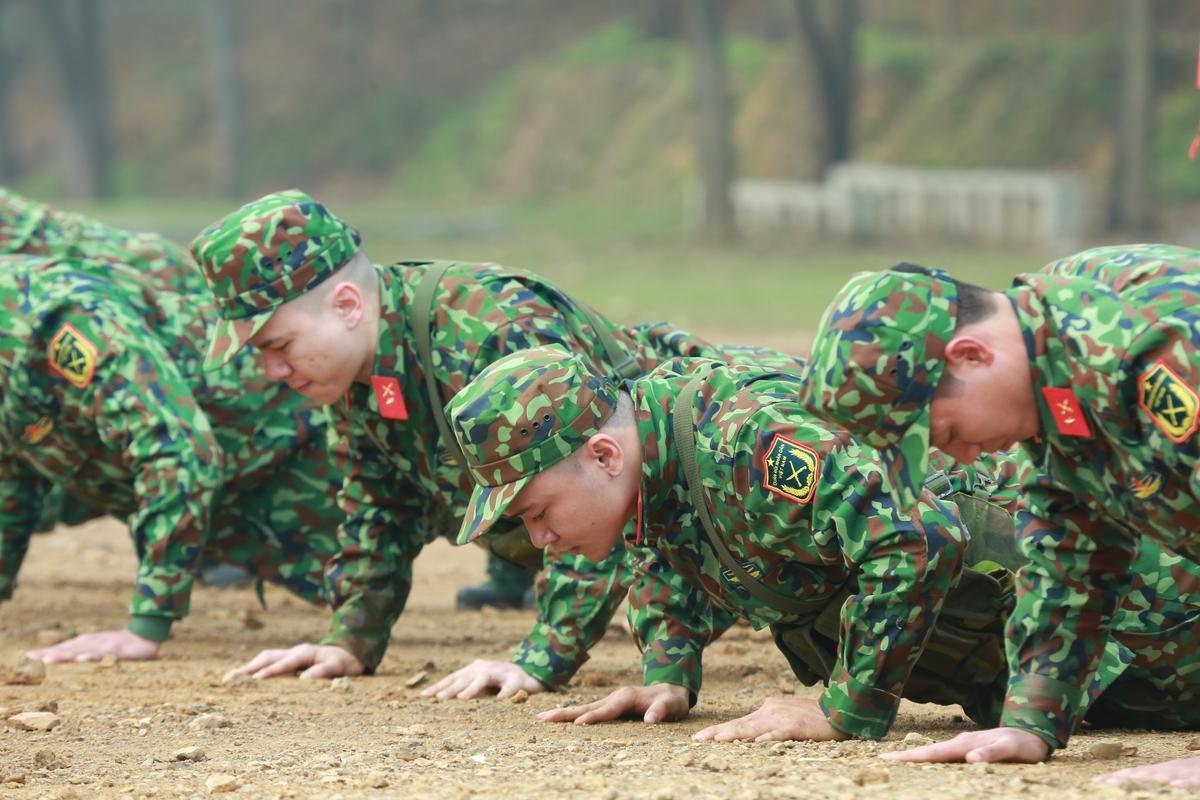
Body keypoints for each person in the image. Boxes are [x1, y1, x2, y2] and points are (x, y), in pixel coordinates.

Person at [190, 189, 792, 685]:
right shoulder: (357, 380)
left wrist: (542, 658)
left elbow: (595, 477)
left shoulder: (487, 328)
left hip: (745, 448)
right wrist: (350, 638)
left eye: (278, 345)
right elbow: (382, 508)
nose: (271, 370)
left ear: (347, 305)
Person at [448, 345, 1103, 739]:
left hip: (1129, 645)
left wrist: (846, 710)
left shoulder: (746, 437)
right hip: (1024, 671)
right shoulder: (660, 454)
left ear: (603, 455)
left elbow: (917, 535)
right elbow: (675, 546)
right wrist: (668, 676)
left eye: (537, 511)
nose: (540, 538)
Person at [799, 244, 1200, 786]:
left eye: (946, 434)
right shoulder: (1053, 353)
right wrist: (1031, 722)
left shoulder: (1155, 343)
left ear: (970, 355)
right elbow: (1072, 553)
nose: (963, 455)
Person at [0, 254, 343, 663]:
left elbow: (175, 450)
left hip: (317, 441)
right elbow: (12, 468)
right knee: (357, 591)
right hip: (255, 505)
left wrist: (147, 623)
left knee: (422, 510)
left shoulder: (60, 320)